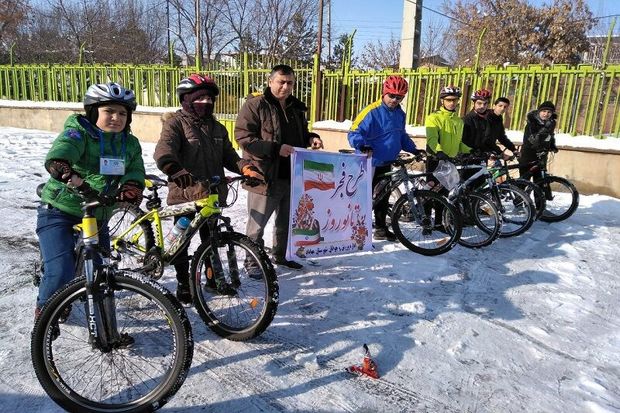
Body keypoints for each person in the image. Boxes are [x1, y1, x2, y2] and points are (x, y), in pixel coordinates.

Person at [36, 82, 145, 317]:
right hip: (60, 208)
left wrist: (133, 186)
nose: (116, 117)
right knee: (60, 271)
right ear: (94, 112)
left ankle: (106, 329)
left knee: (102, 274)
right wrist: (61, 166)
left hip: (97, 214)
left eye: (123, 113)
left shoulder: (130, 143)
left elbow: (135, 169)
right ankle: (45, 316)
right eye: (109, 111)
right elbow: (65, 147)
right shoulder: (79, 132)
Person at [154, 73, 262, 302]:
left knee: (211, 241)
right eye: (199, 97)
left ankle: (213, 279)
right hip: (185, 195)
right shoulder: (176, 123)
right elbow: (165, 151)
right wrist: (174, 169)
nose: (206, 102)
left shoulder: (217, 128)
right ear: (186, 99)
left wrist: (245, 168)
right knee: (180, 243)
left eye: (209, 98)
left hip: (210, 195)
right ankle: (184, 282)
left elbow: (229, 156)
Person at [235, 64, 323, 270]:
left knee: (286, 221)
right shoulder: (255, 105)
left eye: (290, 83)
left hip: (292, 174)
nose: (285, 87)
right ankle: (252, 263)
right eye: (281, 82)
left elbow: (301, 134)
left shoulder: (296, 108)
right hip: (264, 176)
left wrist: (312, 138)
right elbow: (244, 138)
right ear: (270, 81)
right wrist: (275, 149)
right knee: (256, 226)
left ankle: (281, 255)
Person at [347, 75, 419, 241]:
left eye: (399, 97)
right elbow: (354, 133)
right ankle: (354, 229)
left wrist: (414, 150)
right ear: (384, 92)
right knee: (362, 198)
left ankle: (380, 228)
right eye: (391, 95)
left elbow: (401, 135)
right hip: (368, 162)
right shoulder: (371, 111)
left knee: (383, 198)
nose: (395, 100)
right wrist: (362, 145)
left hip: (386, 163)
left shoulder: (400, 114)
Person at [425, 85, 471, 172]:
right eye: (448, 100)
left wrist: (471, 150)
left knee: (451, 185)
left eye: (454, 100)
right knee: (433, 185)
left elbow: (458, 143)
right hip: (436, 159)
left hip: (451, 160)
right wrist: (439, 152)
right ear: (442, 100)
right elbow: (432, 139)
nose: (452, 103)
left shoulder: (459, 121)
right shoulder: (434, 118)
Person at [519, 100, 558, 180]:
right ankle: (519, 192)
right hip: (528, 155)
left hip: (541, 156)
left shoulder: (551, 123)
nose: (546, 114)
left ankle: (541, 192)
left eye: (549, 112)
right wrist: (540, 148)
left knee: (540, 181)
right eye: (544, 111)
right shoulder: (531, 122)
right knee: (525, 181)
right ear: (539, 111)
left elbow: (550, 136)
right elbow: (531, 139)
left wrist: (552, 146)